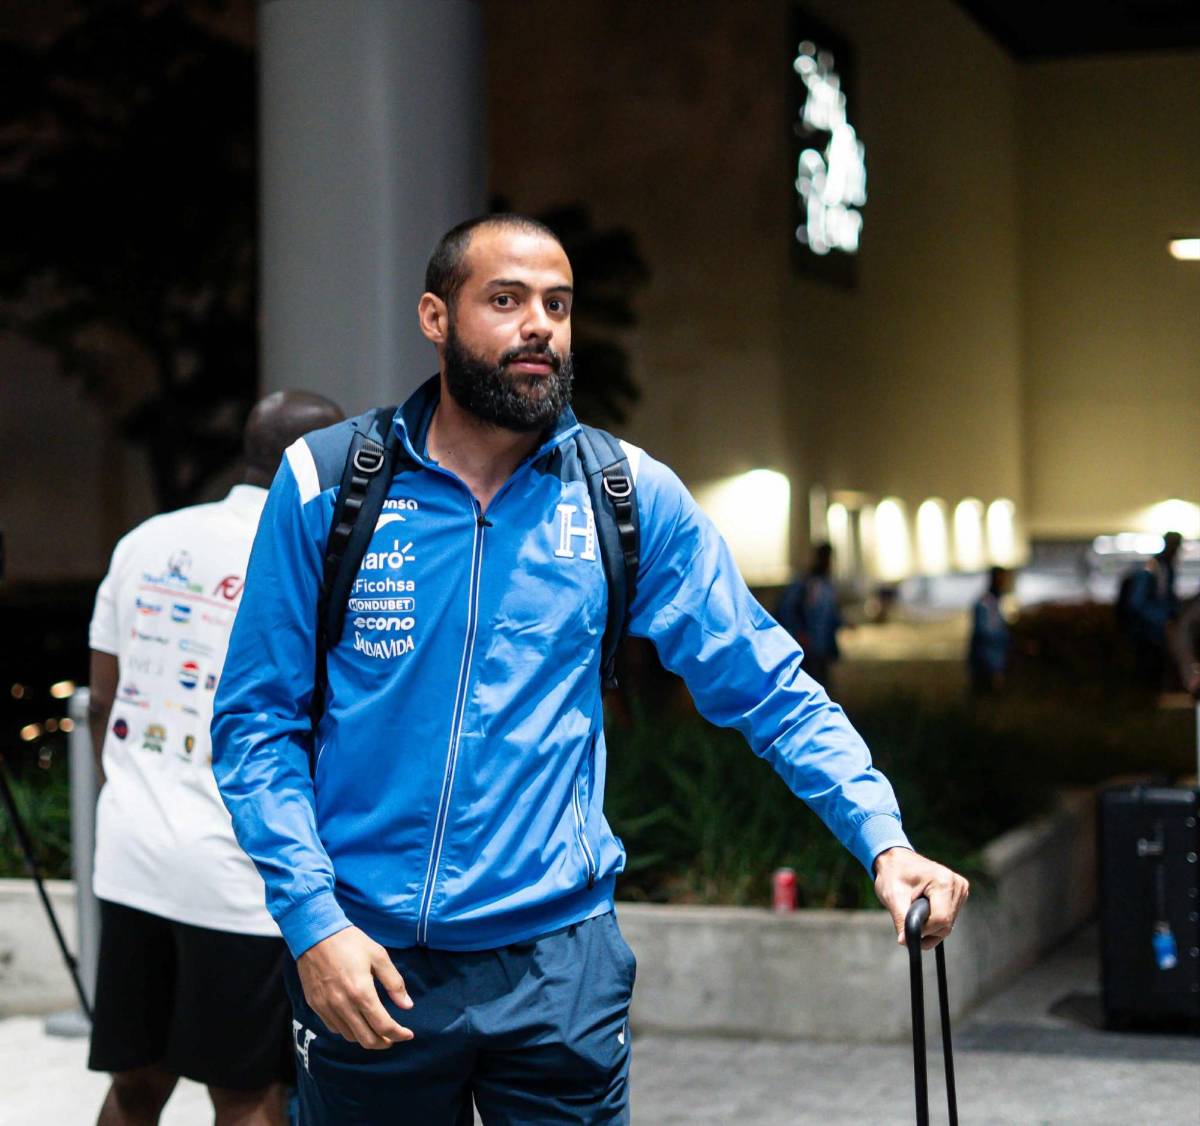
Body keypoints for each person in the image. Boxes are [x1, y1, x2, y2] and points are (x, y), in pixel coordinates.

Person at [211, 215, 969, 1125]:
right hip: (367, 961)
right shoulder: (328, 484)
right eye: (506, 300)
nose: (540, 325)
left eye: (558, 305)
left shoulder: (626, 497)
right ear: (434, 317)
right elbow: (257, 725)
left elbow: (769, 688)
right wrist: (312, 922)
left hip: (558, 970)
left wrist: (883, 838)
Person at [86, 391, 344, 1126]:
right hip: (243, 877)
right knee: (248, 1095)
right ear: (320, 465)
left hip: (130, 856)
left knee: (137, 1082)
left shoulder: (147, 540)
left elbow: (106, 700)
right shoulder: (313, 556)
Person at [1118, 531, 1183, 689]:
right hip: (1146, 631)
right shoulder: (1154, 568)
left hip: (1154, 630)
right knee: (1149, 668)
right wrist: (1163, 620)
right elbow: (1138, 602)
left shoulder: (1165, 568)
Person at [776, 542, 842, 688]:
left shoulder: (825, 585)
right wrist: (800, 633)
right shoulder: (807, 585)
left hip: (820, 648)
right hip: (809, 647)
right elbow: (788, 611)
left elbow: (831, 616)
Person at [968, 566, 1012, 694]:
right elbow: (984, 633)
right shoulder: (986, 603)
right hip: (985, 663)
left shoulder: (995, 602)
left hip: (991, 662)